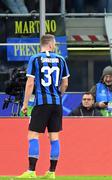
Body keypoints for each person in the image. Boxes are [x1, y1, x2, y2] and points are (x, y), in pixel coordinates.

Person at [18, 34, 70, 179]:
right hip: (57, 103)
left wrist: (25, 104)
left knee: (33, 135)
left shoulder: (35, 58)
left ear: (41, 45)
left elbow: (30, 83)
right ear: (52, 45)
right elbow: (65, 83)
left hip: (41, 103)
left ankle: (31, 171)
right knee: (54, 137)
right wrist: (58, 95)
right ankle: (52, 172)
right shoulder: (61, 59)